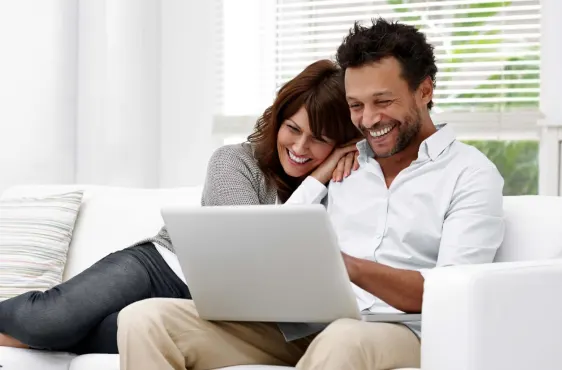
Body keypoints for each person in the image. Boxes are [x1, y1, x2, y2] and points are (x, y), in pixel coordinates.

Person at [116, 18, 505, 370]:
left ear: (424, 90)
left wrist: (345, 266)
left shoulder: (470, 175)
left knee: (343, 339)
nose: (369, 120)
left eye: (383, 102)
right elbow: (274, 241)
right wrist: (318, 176)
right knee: (146, 319)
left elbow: (453, 294)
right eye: (356, 105)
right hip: (303, 328)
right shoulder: (345, 163)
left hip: (402, 332)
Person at [0, 60, 361, 354]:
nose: (300, 146)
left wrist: (324, 183)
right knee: (47, 321)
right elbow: (256, 247)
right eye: (292, 128)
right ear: (277, 120)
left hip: (205, 310)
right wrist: (317, 180)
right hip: (158, 266)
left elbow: (273, 282)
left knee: (114, 333)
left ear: (340, 143)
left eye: (319, 139)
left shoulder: (342, 191)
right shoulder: (234, 161)